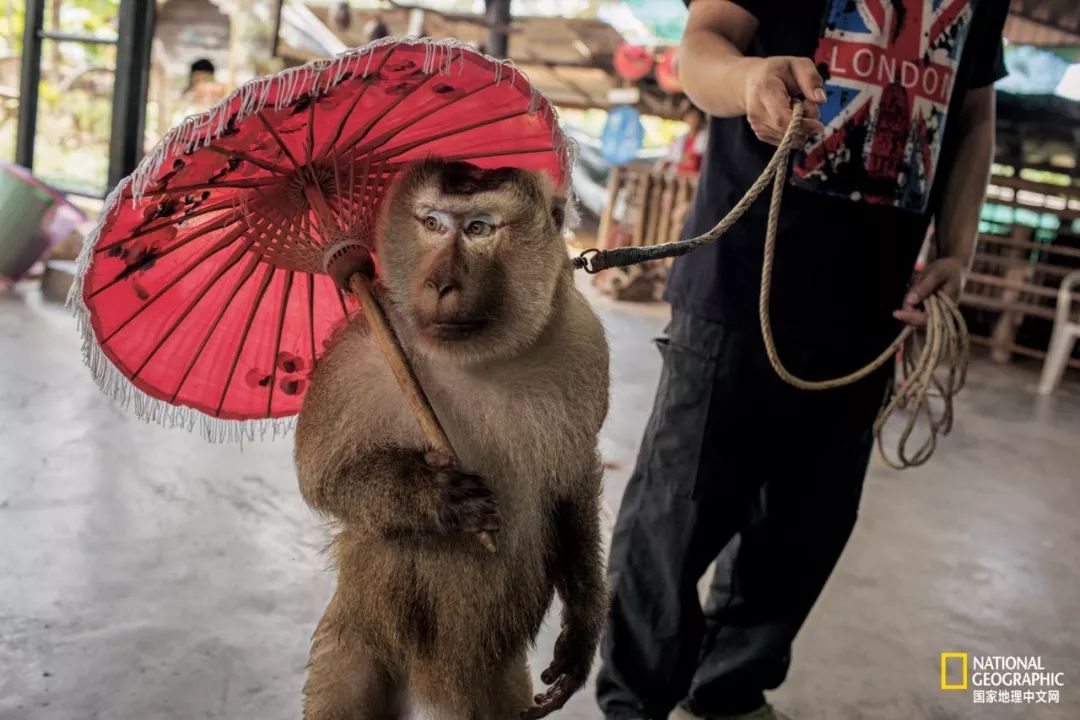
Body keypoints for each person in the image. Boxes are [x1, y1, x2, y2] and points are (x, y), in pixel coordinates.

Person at [596, 1, 1009, 719]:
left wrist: (956, 250)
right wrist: (750, 77)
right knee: (674, 522)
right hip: (740, 288)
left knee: (804, 531)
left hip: (872, 315)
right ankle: (634, 705)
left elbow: (973, 117)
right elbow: (701, 50)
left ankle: (727, 694)